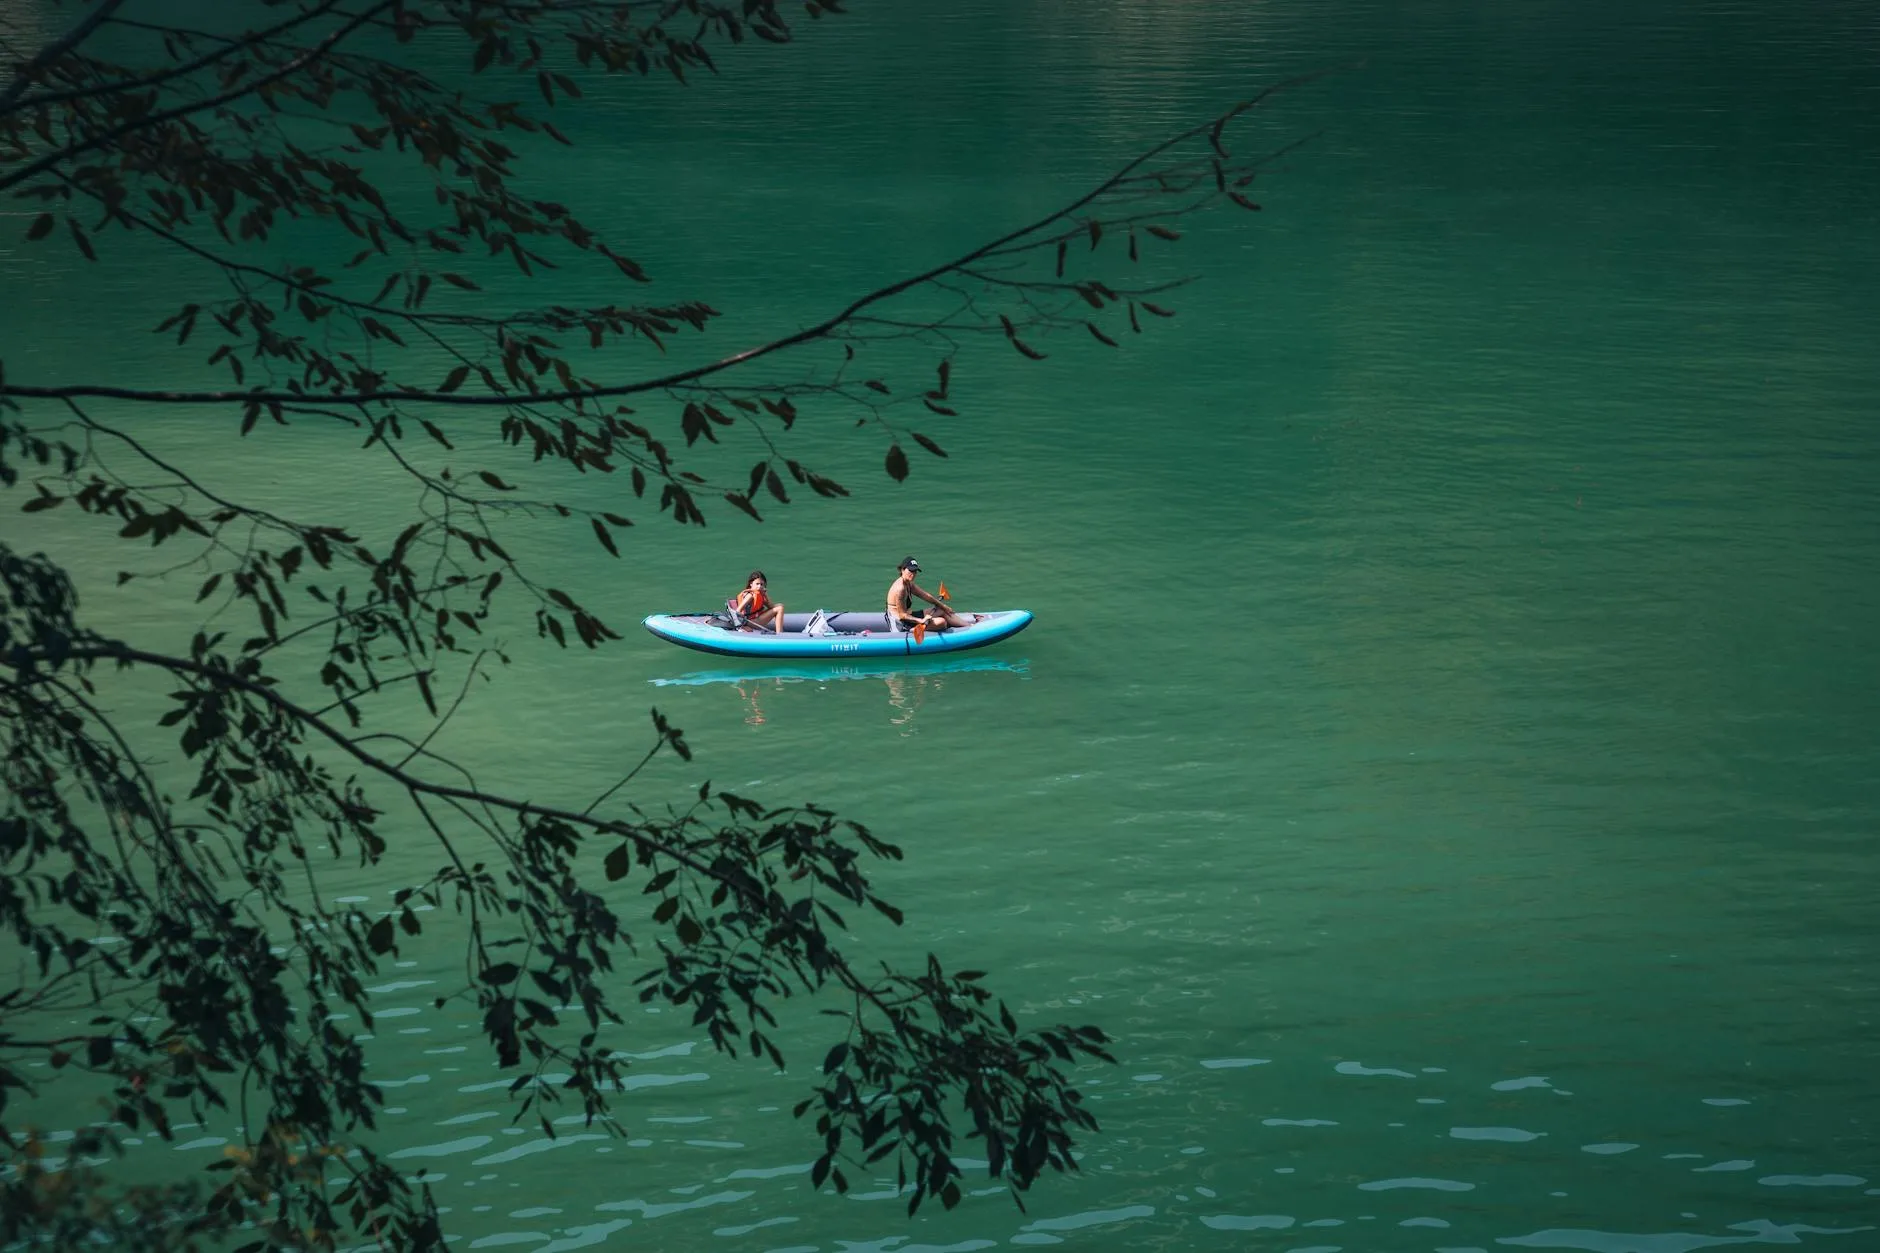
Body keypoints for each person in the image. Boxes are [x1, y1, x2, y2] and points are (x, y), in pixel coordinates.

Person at [885, 556, 975, 633]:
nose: (913, 574)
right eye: (911, 571)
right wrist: (922, 620)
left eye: (915, 571)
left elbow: (926, 596)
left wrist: (943, 606)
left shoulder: (909, 583)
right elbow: (902, 615)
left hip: (909, 616)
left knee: (942, 610)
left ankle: (970, 627)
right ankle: (913, 630)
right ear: (902, 570)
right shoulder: (900, 589)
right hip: (901, 623)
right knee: (942, 622)